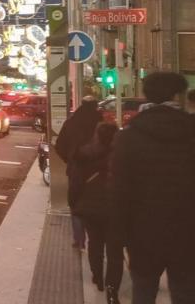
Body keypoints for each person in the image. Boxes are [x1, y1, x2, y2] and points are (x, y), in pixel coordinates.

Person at [110, 72, 195, 304]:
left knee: (144, 291)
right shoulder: (191, 131)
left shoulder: (128, 137)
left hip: (142, 234)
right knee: (186, 292)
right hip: (188, 233)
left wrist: (119, 239)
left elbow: (119, 192)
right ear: (178, 96)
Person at [75, 122, 123, 303]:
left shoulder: (85, 153)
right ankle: (112, 289)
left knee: (95, 242)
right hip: (115, 207)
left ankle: (97, 276)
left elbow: (76, 182)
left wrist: (75, 203)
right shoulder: (121, 156)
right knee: (115, 250)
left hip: (91, 207)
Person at [55, 97, 102, 248]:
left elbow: (59, 145)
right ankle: (96, 237)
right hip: (99, 170)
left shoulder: (72, 122)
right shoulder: (101, 123)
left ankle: (79, 239)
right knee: (99, 202)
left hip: (77, 168)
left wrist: (70, 159)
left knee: (76, 202)